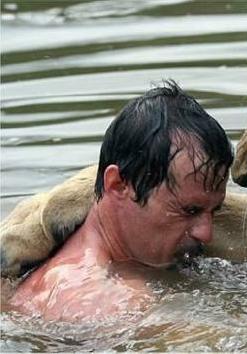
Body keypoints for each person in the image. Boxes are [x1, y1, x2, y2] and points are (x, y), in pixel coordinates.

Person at [8, 80, 234, 321]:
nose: (206, 234)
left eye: (214, 211)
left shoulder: (51, 283)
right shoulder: (103, 298)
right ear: (118, 185)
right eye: (189, 210)